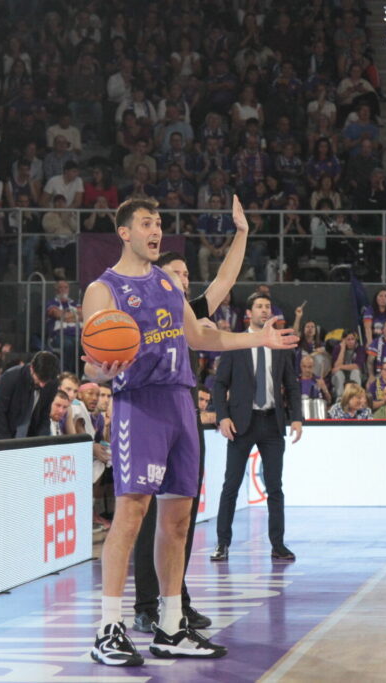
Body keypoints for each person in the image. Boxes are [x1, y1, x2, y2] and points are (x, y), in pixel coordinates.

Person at [80, 198, 296, 667]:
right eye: (146, 223)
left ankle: (171, 626)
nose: (156, 230)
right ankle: (108, 628)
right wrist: (100, 372)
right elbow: (93, 363)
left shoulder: (165, 282)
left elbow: (199, 336)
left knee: (178, 521)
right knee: (131, 514)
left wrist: (257, 339)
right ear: (124, 232)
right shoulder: (103, 289)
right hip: (140, 404)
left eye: (159, 223)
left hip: (180, 402)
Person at [133, 197, 251, 635]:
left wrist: (242, 233)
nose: (185, 279)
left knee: (180, 515)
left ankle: (176, 600)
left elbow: (225, 279)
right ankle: (146, 605)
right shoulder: (144, 310)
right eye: (177, 273)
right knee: (149, 517)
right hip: (149, 412)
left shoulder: (190, 312)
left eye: (186, 274)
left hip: (186, 414)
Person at [211, 289, 304, 558]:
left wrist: (297, 417)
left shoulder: (280, 345)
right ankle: (222, 543)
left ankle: (278, 544)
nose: (264, 310)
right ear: (249, 313)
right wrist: (222, 416)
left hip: (272, 422)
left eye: (267, 306)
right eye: (259, 306)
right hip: (241, 424)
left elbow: (292, 385)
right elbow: (219, 384)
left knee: (275, 487)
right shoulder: (236, 343)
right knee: (231, 485)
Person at [0, 352, 60, 441]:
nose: (42, 385)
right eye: (39, 379)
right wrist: (8, 444)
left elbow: (44, 414)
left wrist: (41, 440)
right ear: (32, 368)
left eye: (45, 381)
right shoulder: (11, 377)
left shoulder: (52, 382)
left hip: (24, 432)